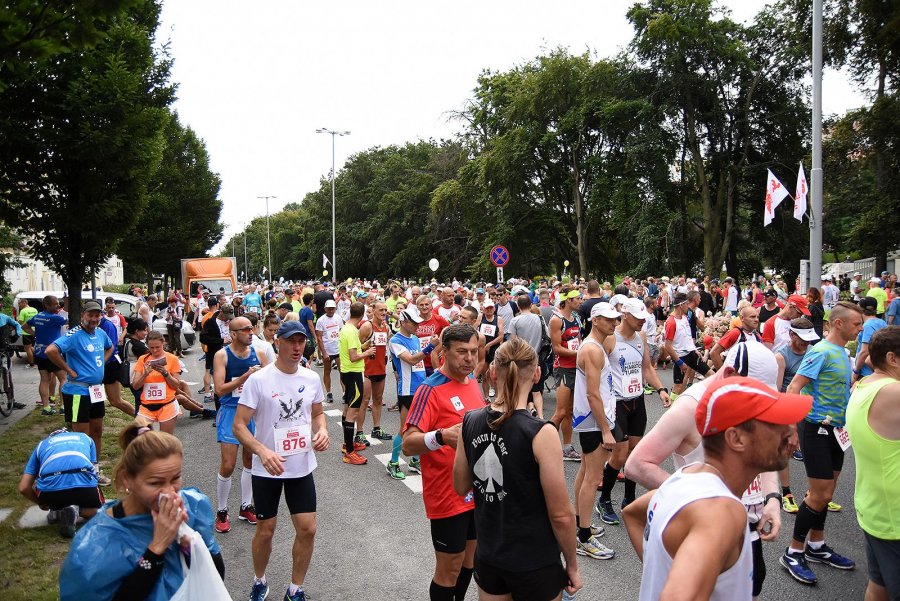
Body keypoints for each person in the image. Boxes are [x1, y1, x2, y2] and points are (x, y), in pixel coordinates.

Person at [623, 376, 812, 601]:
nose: (792, 436)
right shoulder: (722, 513)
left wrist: (662, 572)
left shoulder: (686, 478)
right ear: (736, 438)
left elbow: (632, 515)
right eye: (775, 424)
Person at [452, 338, 582, 601]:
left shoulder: (470, 421)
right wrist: (572, 564)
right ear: (536, 375)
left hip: (489, 554)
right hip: (534, 559)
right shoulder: (540, 432)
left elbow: (461, 485)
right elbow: (561, 515)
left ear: (491, 372)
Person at [59, 420, 223, 600]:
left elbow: (215, 578)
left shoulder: (192, 506)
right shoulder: (96, 544)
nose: (169, 492)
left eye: (175, 478)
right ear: (127, 479)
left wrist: (191, 546)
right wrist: (156, 549)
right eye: (155, 483)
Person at [233, 320, 330, 601]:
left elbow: (316, 414)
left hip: (301, 467)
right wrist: (262, 451)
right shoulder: (259, 380)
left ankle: (295, 589)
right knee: (266, 530)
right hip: (267, 469)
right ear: (278, 342)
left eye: (301, 341)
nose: (297, 347)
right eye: (291, 341)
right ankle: (259, 580)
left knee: (308, 529)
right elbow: (239, 426)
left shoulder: (310, 378)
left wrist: (322, 430)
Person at [781, 300, 864, 585]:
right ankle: (793, 551)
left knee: (827, 493)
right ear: (839, 323)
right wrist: (792, 429)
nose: (860, 329)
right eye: (856, 324)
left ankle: (816, 545)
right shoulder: (820, 352)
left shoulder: (842, 352)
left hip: (838, 431)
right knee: (819, 494)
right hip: (816, 428)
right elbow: (794, 387)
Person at [402, 324, 485, 601]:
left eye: (473, 351)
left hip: (477, 488)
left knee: (470, 562)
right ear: (444, 353)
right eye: (461, 352)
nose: (469, 358)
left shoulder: (472, 381)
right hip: (446, 493)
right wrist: (439, 436)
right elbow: (408, 443)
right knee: (449, 567)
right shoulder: (430, 389)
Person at [596, 298, 672, 524]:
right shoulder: (610, 339)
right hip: (618, 403)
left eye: (644, 319)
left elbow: (646, 367)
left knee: (634, 453)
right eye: (638, 319)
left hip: (637, 402)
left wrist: (660, 389)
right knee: (618, 455)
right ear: (625, 316)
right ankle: (605, 499)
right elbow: (598, 372)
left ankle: (629, 499)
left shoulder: (641, 337)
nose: (642, 323)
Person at [845, 326, 900, 601]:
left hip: (874, 505)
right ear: (892, 358)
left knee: (878, 586)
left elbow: (867, 361)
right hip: (895, 515)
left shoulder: (864, 385)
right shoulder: (893, 392)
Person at [571, 302, 621, 560]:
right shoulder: (592, 349)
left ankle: (581, 523)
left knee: (584, 472)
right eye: (609, 319)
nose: (614, 323)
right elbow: (592, 393)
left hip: (592, 420)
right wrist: (606, 430)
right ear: (595, 320)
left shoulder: (596, 345)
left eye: (616, 319)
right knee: (592, 477)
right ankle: (584, 537)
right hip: (593, 421)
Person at [45, 300, 114, 485]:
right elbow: (51, 350)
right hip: (77, 392)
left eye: (97, 315)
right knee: (81, 436)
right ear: (83, 315)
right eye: (90, 315)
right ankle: (81, 473)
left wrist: (101, 363)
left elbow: (111, 347)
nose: (94, 318)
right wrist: (67, 370)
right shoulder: (74, 334)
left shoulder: (100, 332)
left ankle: (94, 469)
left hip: (96, 391)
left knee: (97, 431)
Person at [212, 315, 267, 533]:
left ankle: (245, 506)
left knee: (250, 461)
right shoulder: (221, 355)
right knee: (228, 464)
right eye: (244, 330)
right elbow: (219, 389)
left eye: (251, 328)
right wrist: (246, 376)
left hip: (253, 412)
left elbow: (273, 379)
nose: (250, 332)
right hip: (231, 412)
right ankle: (222, 510)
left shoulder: (259, 353)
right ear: (233, 334)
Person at [19, 428, 102, 538]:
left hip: (51, 492)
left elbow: (23, 488)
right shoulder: (86, 438)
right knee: (104, 512)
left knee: (36, 485)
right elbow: (93, 471)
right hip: (85, 489)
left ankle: (56, 509)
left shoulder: (41, 445)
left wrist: (41, 503)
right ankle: (79, 510)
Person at [773, 318, 820, 513]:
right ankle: (786, 493)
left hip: (811, 407)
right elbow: (777, 389)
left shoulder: (815, 352)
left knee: (815, 451)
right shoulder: (781, 356)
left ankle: (816, 493)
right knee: (786, 451)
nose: (806, 343)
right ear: (791, 335)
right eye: (802, 339)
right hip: (789, 405)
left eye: (809, 339)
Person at [385, 309, 435, 479]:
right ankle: (392, 462)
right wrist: (431, 346)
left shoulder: (415, 338)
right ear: (403, 322)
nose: (417, 326)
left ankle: (415, 460)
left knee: (421, 427)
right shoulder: (395, 341)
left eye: (418, 323)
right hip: (407, 390)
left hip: (420, 388)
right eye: (413, 323)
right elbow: (412, 359)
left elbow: (419, 361)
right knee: (404, 429)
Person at [338, 302, 376, 465]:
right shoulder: (353, 331)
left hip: (346, 372)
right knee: (353, 412)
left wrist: (363, 346)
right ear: (362, 316)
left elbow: (351, 349)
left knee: (347, 407)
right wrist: (367, 352)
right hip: (354, 374)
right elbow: (354, 356)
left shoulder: (346, 328)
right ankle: (349, 453)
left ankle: (348, 444)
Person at [549, 286, 583, 461]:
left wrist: (581, 351)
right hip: (562, 368)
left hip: (575, 368)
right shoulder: (556, 320)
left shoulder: (576, 317)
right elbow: (556, 348)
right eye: (577, 298)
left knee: (569, 411)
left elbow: (578, 341)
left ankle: (567, 448)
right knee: (561, 412)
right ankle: (541, 444)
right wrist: (581, 353)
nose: (580, 300)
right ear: (568, 300)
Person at [24, 295, 68, 415]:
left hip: (39, 352)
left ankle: (46, 407)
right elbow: (71, 321)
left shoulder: (38, 316)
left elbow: (25, 326)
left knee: (44, 380)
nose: (58, 305)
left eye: (58, 303)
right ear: (47, 305)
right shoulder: (55, 318)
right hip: (53, 353)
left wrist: (35, 334)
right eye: (55, 304)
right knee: (63, 378)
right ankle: (64, 406)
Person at [664, 292, 713, 396]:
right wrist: (680, 363)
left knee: (712, 376)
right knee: (678, 386)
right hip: (680, 357)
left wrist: (694, 349)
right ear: (681, 305)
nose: (689, 306)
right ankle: (673, 409)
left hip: (691, 354)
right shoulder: (671, 322)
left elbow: (687, 336)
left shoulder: (685, 316)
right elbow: (667, 345)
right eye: (687, 304)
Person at [358, 301, 393, 443]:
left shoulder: (386, 327)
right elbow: (355, 347)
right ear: (373, 310)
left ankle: (376, 429)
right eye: (381, 310)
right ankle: (359, 432)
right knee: (364, 401)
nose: (384, 313)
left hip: (380, 367)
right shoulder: (367, 326)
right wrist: (365, 348)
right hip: (366, 368)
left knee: (378, 400)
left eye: (385, 310)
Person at [709, 305, 761, 369]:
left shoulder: (757, 336)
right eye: (752, 317)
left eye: (757, 317)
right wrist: (723, 375)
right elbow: (714, 352)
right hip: (734, 376)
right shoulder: (735, 333)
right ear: (742, 318)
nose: (756, 320)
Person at [853, 296, 888, 384]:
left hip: (866, 372)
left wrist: (856, 372)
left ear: (860, 310)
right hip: (879, 368)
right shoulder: (882, 322)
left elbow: (865, 352)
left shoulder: (867, 326)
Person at [314, 299, 343, 402]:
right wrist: (324, 353)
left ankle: (344, 393)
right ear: (325, 309)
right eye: (329, 309)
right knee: (327, 371)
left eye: (333, 309)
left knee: (342, 371)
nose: (331, 311)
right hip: (327, 350)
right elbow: (319, 338)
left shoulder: (338, 318)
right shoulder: (321, 320)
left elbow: (341, 332)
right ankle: (329, 392)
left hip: (338, 349)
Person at [477, 298, 503, 399]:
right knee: (485, 375)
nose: (489, 310)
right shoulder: (480, 317)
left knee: (494, 375)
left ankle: (497, 398)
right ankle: (487, 398)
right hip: (482, 349)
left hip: (493, 349)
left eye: (491, 308)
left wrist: (489, 345)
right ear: (483, 309)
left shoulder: (498, 319)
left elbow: (501, 336)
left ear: (494, 308)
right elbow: (474, 329)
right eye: (487, 308)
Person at [16, 297, 37, 368]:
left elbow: (20, 322)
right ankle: (38, 360)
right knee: (31, 347)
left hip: (26, 332)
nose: (18, 305)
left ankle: (31, 364)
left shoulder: (23, 311)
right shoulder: (34, 309)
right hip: (34, 331)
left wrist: (16, 321)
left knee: (27, 348)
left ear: (24, 302)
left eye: (19, 303)